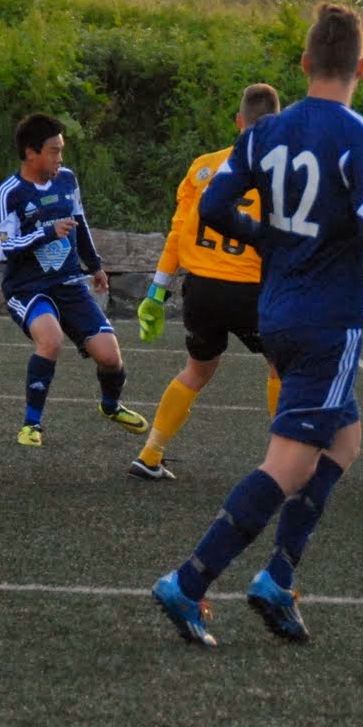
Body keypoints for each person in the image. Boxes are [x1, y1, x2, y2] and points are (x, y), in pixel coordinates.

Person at [151, 4, 363, 646]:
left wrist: (266, 238)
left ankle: (279, 578)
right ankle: (189, 582)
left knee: (344, 441)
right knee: (287, 466)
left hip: (278, 310)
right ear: (361, 67)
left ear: (306, 62)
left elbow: (214, 206)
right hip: (327, 321)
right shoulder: (362, 134)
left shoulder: (264, 132)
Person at [129, 83, 284, 482]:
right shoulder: (284, 172)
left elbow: (177, 234)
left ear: (238, 121)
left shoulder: (204, 167)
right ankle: (285, 463)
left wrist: (156, 292)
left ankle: (150, 452)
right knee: (282, 369)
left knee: (196, 371)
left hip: (201, 290)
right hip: (252, 291)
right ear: (279, 124)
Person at [0, 112, 149, 447]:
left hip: (68, 284)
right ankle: (31, 425)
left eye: (61, 150)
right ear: (31, 152)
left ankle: (110, 406)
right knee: (50, 340)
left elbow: (80, 222)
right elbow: (2, 248)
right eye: (54, 151)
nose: (60, 158)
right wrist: (47, 232)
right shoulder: (11, 192)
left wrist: (95, 265)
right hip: (28, 288)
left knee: (110, 356)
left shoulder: (67, 180)